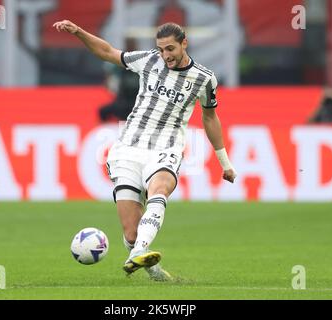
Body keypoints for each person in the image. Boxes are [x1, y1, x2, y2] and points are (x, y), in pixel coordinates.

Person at [53, 20, 237, 281]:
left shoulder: (204, 78)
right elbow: (107, 52)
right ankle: (152, 268)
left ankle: (138, 251)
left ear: (185, 43)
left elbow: (210, 118)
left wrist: (225, 163)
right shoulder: (149, 61)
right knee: (130, 232)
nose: (165, 55)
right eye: (161, 49)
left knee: (158, 189)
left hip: (166, 147)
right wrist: (78, 31)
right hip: (128, 148)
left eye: (170, 49)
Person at [99, 38, 140, 122]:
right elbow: (110, 75)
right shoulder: (121, 59)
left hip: (138, 99)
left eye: (132, 45)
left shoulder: (141, 60)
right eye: (128, 45)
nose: (130, 47)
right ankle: (109, 131)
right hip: (123, 99)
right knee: (103, 111)